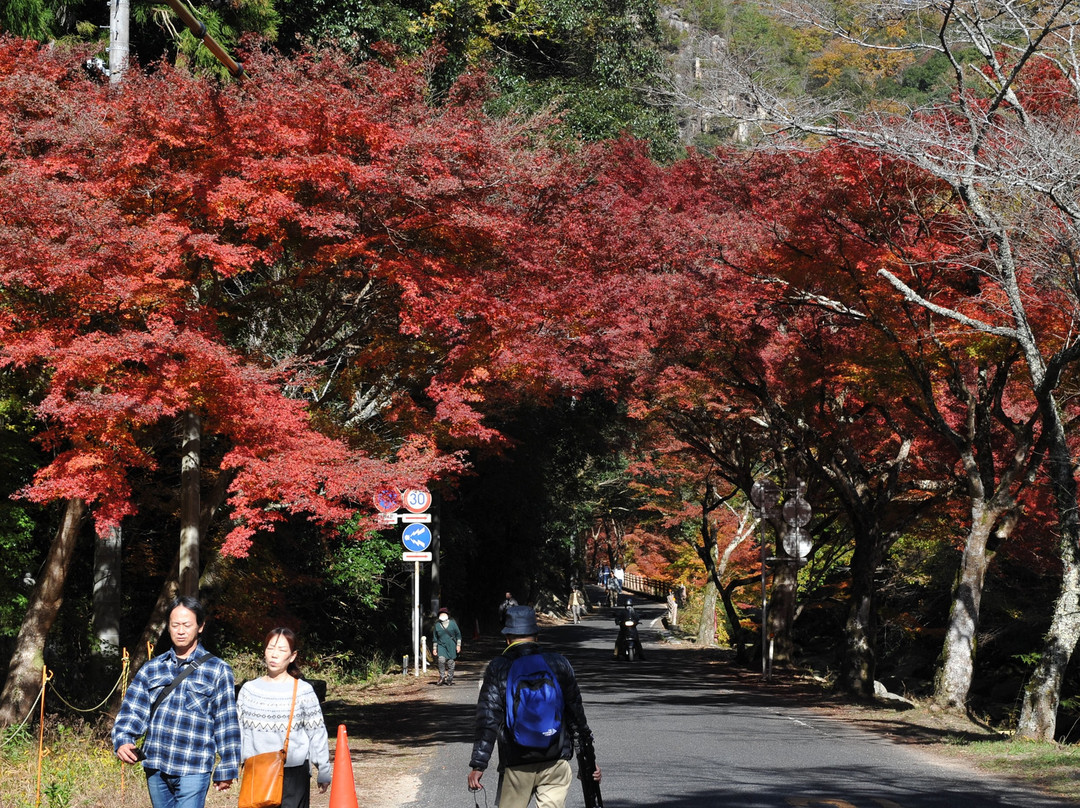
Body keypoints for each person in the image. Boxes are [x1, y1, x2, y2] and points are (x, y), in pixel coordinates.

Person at [113, 596, 242, 808]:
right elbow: (132, 710)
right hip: (156, 763)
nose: (180, 631)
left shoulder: (218, 670)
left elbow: (226, 721)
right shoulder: (152, 668)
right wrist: (123, 738)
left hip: (194, 765)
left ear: (200, 627)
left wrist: (227, 765)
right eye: (175, 625)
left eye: (187, 625)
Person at [468, 605, 601, 808]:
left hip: (517, 762)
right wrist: (588, 759)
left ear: (507, 638)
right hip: (556, 759)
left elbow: (488, 718)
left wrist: (479, 764)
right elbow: (576, 714)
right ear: (537, 635)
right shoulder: (559, 663)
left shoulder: (499, 667)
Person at [236, 628, 331, 808]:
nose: (274, 655)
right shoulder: (249, 690)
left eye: (281, 650)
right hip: (257, 772)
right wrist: (231, 766)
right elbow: (238, 733)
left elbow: (317, 733)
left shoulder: (303, 691)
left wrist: (324, 769)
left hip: (293, 775)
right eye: (270, 648)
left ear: (292, 656)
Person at [432, 607, 462, 685]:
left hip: (451, 645)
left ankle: (450, 678)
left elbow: (458, 635)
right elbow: (435, 638)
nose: (443, 615)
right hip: (441, 645)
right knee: (441, 660)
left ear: (447, 615)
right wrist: (434, 648)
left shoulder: (453, 623)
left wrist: (458, 645)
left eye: (444, 613)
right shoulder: (437, 625)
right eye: (441, 614)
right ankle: (442, 676)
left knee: (450, 663)